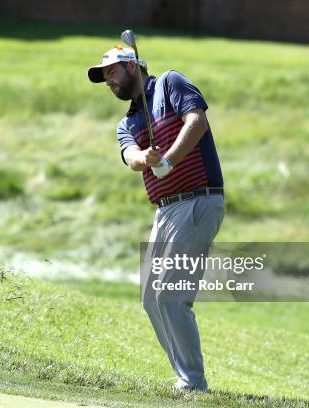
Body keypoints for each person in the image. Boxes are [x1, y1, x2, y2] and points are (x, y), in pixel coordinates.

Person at [87, 46, 225, 391]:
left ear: (132, 65)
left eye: (113, 73)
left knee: (170, 295)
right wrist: (147, 158)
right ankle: (186, 376)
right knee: (151, 298)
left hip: (197, 199)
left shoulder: (170, 83)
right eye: (105, 78)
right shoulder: (127, 122)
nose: (109, 82)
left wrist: (170, 159)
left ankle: (193, 383)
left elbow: (197, 121)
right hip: (165, 209)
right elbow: (130, 156)